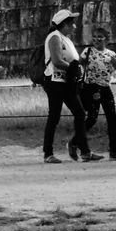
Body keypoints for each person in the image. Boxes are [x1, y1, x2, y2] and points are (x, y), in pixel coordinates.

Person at [41, 9, 100, 164]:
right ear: (64, 25)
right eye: (71, 23)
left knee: (80, 113)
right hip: (55, 81)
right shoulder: (54, 37)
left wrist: (77, 68)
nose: (74, 26)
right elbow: (57, 60)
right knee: (54, 116)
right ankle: (48, 153)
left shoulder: (64, 39)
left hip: (66, 82)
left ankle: (85, 151)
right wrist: (73, 68)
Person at [79, 27, 116, 160]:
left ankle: (114, 151)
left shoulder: (111, 54)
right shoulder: (87, 52)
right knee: (91, 118)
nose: (96, 39)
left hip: (106, 88)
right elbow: (79, 66)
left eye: (100, 37)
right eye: (94, 36)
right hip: (91, 87)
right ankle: (75, 141)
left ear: (106, 39)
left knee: (112, 119)